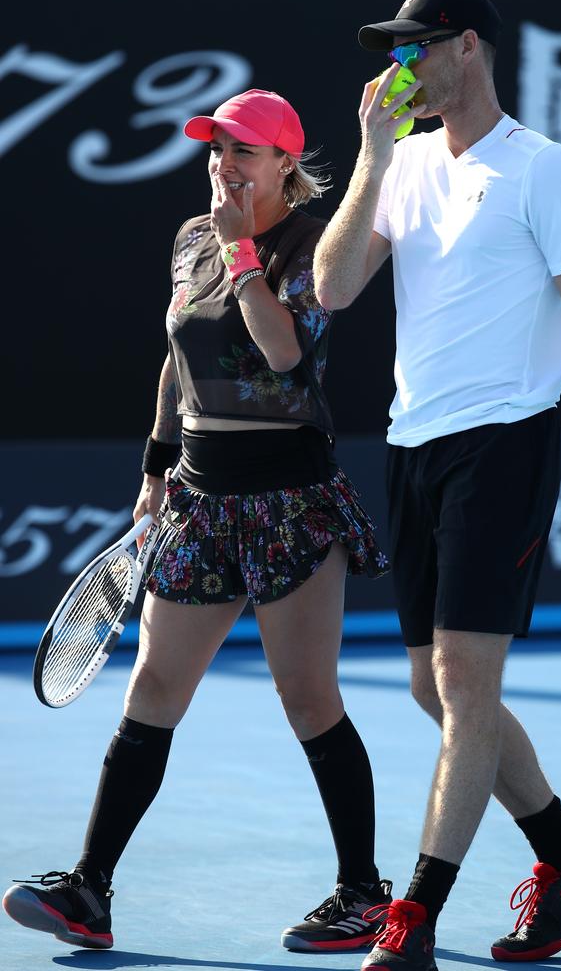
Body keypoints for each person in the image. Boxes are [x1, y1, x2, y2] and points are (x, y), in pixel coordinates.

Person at [2, 88, 393, 953]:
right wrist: (153, 467)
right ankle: (89, 890)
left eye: (244, 152)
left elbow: (284, 352)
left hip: (290, 501)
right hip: (198, 497)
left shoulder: (311, 244)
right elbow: (176, 357)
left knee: (308, 697)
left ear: (286, 164)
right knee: (151, 692)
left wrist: (240, 250)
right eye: (217, 150)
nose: (225, 166)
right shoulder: (191, 238)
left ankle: (363, 893)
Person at [313, 0, 561, 970]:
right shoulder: (402, 164)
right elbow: (330, 288)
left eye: (411, 51)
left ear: (464, 51)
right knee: (432, 687)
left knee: (460, 681)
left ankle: (412, 915)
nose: (394, 70)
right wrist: (370, 159)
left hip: (502, 445)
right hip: (411, 447)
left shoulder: (546, 170)